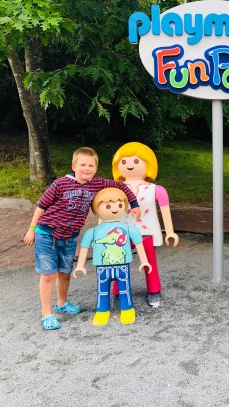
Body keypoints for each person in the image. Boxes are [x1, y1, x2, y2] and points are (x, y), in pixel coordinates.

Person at [23, 147, 141, 331]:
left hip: (69, 238)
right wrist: (32, 230)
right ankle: (47, 314)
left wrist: (134, 203)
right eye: (83, 165)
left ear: (96, 168)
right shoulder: (60, 184)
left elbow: (122, 186)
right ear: (74, 166)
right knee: (48, 274)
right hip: (47, 234)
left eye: (91, 165)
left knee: (64, 273)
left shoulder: (96, 183)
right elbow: (41, 206)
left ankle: (62, 303)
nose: (87, 168)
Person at [111, 142, 179, 308]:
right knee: (119, 262)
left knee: (150, 261)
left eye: (136, 161)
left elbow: (165, 211)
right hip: (122, 232)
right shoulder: (115, 189)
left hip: (147, 232)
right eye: (124, 161)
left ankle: (154, 290)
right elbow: (105, 210)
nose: (130, 165)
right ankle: (118, 291)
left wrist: (170, 231)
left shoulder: (156, 189)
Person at [72, 188, 151, 326]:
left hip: (122, 265)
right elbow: (84, 247)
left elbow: (139, 244)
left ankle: (127, 309)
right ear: (96, 209)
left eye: (119, 205)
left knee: (125, 289)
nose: (114, 209)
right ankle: (102, 311)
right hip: (102, 267)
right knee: (102, 290)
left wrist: (144, 261)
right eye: (108, 206)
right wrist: (80, 265)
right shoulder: (93, 231)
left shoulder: (128, 229)